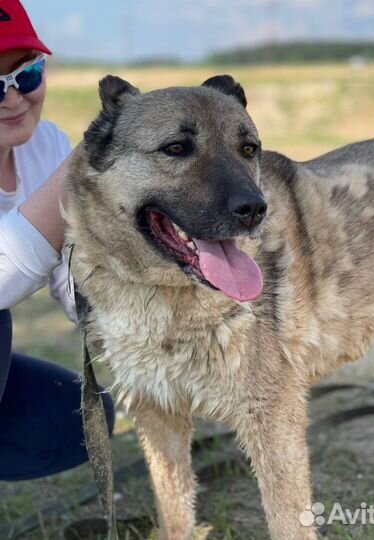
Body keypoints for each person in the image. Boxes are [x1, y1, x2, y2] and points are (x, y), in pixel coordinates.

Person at [0, 0, 114, 481]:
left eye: (26, 74)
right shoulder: (65, 160)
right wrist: (79, 168)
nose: (14, 99)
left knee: (78, 418)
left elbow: (76, 277)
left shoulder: (47, 146)